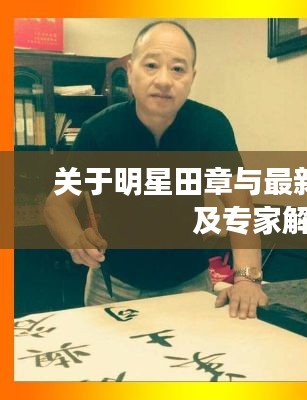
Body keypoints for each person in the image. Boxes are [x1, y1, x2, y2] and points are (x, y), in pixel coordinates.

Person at [44, 20, 267, 319]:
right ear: (130, 71)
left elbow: (239, 206)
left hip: (189, 283)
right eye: (151, 65)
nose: (164, 80)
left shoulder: (211, 127)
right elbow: (58, 203)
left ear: (192, 77)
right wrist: (75, 240)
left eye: (177, 69)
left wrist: (247, 279)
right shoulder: (99, 131)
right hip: (112, 286)